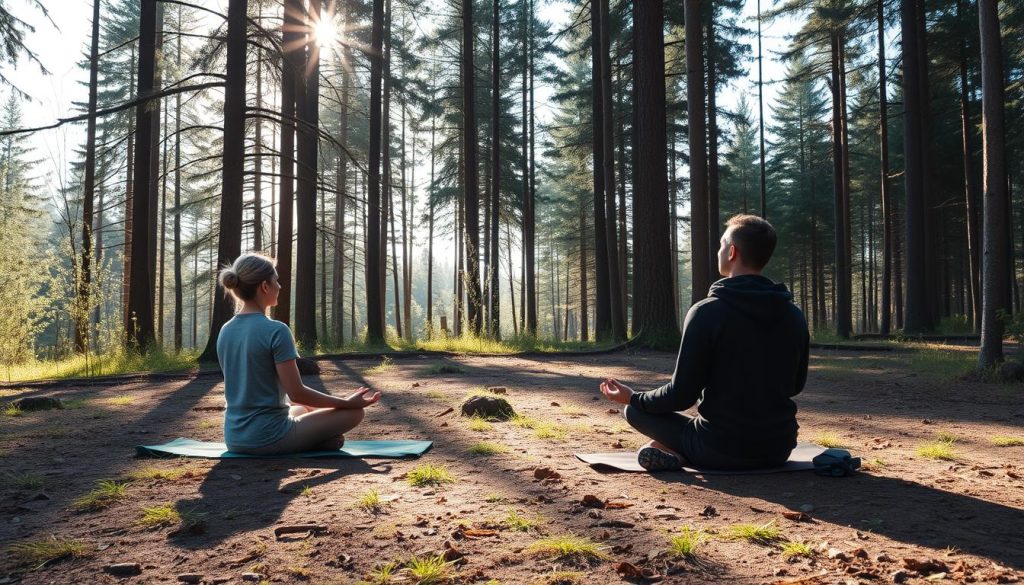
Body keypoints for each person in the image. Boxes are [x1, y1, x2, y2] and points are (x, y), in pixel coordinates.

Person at [600, 214, 809, 471]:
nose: (718, 250)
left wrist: (634, 398)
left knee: (634, 411)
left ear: (732, 252)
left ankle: (674, 451)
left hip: (718, 448)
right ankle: (673, 452)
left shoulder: (706, 312)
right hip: (778, 448)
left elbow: (681, 396)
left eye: (722, 244)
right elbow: (796, 385)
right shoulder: (794, 314)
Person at [216, 253, 381, 455]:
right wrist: (346, 402)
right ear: (265, 287)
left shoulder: (225, 329)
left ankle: (315, 439)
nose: (280, 286)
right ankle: (314, 441)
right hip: (268, 438)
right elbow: (297, 392)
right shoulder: (276, 330)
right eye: (276, 280)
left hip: (234, 438)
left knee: (300, 409)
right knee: (355, 413)